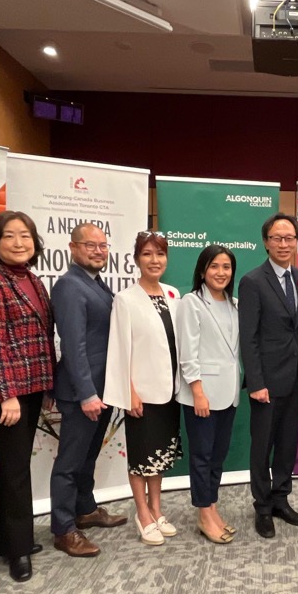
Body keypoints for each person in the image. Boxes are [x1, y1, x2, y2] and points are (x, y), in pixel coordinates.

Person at [0, 211, 55, 583]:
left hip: (32, 386)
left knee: (10, 464)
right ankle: (18, 549)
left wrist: (47, 387)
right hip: (5, 392)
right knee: (17, 469)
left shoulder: (33, 279)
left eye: (26, 236)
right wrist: (7, 396)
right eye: (9, 236)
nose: (19, 243)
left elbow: (43, 339)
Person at [48, 223, 128, 560]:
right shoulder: (69, 286)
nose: (98, 251)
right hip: (84, 392)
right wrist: (86, 394)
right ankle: (64, 529)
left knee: (88, 458)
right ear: (72, 247)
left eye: (103, 246)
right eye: (90, 245)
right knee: (69, 463)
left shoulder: (96, 284)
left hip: (103, 388)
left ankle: (85, 509)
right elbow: (73, 345)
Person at [104, 231, 183, 546]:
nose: (155, 260)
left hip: (171, 390)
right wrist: (129, 392)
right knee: (141, 456)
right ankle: (142, 512)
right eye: (148, 254)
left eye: (160, 254)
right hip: (142, 393)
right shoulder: (125, 299)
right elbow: (120, 349)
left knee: (160, 456)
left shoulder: (173, 294)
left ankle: (156, 508)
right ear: (136, 259)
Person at [239, 213, 298, 539]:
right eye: (277, 238)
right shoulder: (253, 281)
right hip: (266, 381)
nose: (284, 244)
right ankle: (263, 507)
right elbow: (248, 337)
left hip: (294, 378)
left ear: (296, 241)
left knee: (287, 444)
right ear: (266, 242)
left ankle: (281, 499)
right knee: (262, 445)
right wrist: (256, 383)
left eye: (290, 238)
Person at [177, 245, 241, 545]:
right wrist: (197, 391)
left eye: (226, 267)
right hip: (202, 395)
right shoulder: (191, 302)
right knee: (201, 456)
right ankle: (204, 514)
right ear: (203, 271)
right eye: (214, 266)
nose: (221, 272)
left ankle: (212, 507)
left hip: (228, 393)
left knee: (218, 455)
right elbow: (188, 354)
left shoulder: (234, 304)